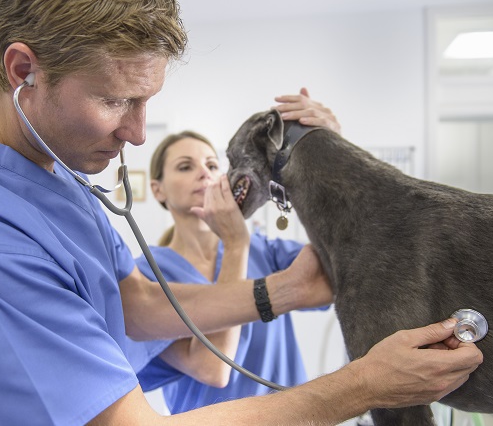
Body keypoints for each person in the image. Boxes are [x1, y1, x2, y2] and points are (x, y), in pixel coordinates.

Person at [0, 0, 483, 425]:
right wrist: (364, 386)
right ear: (23, 70)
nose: (137, 133)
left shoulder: (52, 171)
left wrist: (287, 288)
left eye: (146, 101)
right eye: (114, 101)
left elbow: (136, 304)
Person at [126, 89, 341, 414]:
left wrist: (328, 149)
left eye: (213, 164)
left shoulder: (266, 250)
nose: (205, 172)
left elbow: (343, 267)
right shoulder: (145, 278)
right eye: (185, 167)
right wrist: (236, 244)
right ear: (158, 189)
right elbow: (214, 369)